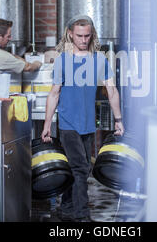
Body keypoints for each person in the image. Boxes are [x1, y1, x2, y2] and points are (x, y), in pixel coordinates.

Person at [41, 14, 125, 222]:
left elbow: (112, 90)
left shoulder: (99, 59)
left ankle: (67, 210)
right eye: (79, 36)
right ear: (70, 34)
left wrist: (118, 119)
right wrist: (47, 125)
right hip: (68, 123)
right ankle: (82, 216)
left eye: (87, 36)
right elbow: (54, 93)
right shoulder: (62, 60)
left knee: (76, 169)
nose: (83, 40)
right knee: (80, 168)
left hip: (88, 124)